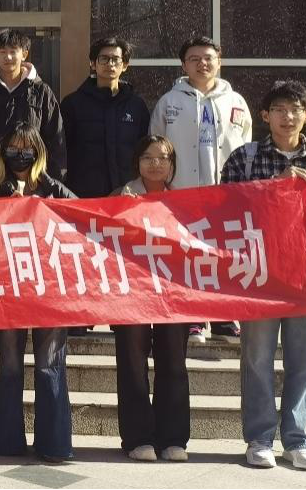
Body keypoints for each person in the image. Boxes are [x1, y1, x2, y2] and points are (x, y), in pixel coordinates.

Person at [222, 81, 306, 472]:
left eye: (295, 109)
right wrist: (275, 187)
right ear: (265, 116)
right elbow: (224, 210)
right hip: (258, 275)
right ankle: (260, 438)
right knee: (257, 358)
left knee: (303, 359)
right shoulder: (245, 159)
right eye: (279, 109)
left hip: (305, 278)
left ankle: (297, 439)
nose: (287, 116)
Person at [0, 123, 77, 463]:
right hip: (8, 291)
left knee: (50, 364)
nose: (19, 155)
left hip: (50, 292)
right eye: (13, 148)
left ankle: (54, 443)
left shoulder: (55, 189)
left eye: (26, 149)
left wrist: (44, 206)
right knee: (9, 365)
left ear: (38, 152)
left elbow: (85, 219)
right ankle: (7, 440)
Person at [150, 36, 253, 343]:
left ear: (219, 62)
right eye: (194, 59)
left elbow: (246, 146)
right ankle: (194, 317)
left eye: (208, 58)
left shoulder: (236, 102)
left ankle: (223, 316)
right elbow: (156, 147)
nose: (202, 64)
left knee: (224, 255)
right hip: (182, 194)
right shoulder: (169, 102)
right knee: (190, 255)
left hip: (226, 195)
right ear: (184, 65)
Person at [60, 37, 151, 337]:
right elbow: (62, 151)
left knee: (121, 259)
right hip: (83, 195)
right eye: (103, 59)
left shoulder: (136, 106)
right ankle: (81, 315)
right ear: (92, 63)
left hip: (125, 197)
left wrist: (132, 186)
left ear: (125, 65)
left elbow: (144, 152)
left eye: (116, 59)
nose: (110, 64)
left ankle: (118, 314)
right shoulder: (73, 104)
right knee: (84, 257)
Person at [111, 135, 190, 463]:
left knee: (174, 361)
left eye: (163, 158)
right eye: (148, 157)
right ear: (137, 162)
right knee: (132, 362)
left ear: (172, 164)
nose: (156, 164)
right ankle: (138, 437)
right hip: (131, 293)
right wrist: (121, 211)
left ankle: (173, 438)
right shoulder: (120, 196)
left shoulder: (184, 201)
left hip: (173, 294)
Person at [0, 29, 64, 196]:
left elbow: (55, 140)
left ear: (24, 54)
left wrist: (52, 183)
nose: (8, 57)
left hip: (33, 185)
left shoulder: (42, 92)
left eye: (13, 51)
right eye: (2, 52)